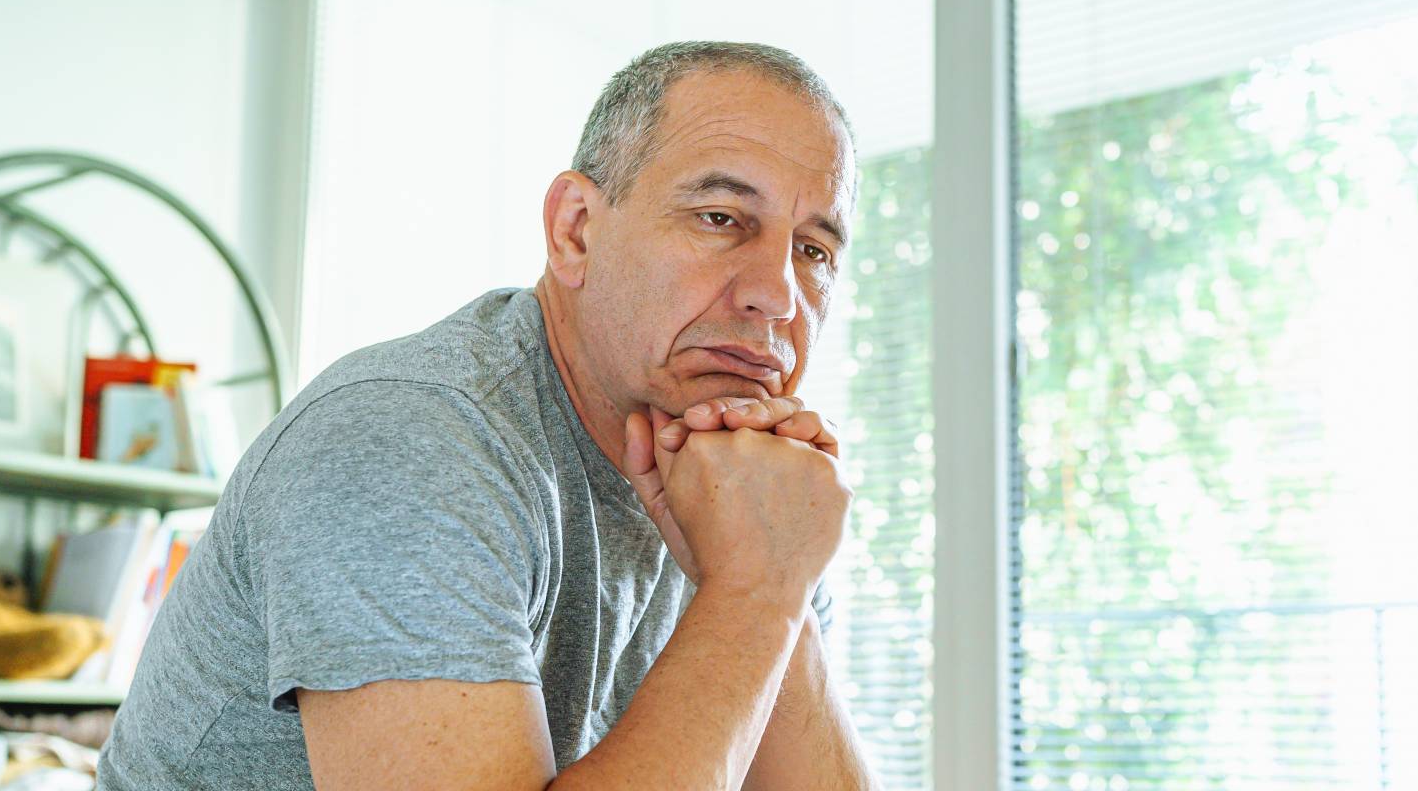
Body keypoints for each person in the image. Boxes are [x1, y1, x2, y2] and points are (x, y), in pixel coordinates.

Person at [97, 41, 879, 790]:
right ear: (575, 231)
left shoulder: (757, 495)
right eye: (720, 218)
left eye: (814, 250)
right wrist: (752, 593)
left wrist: (776, 589)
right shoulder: (407, 441)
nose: (776, 295)